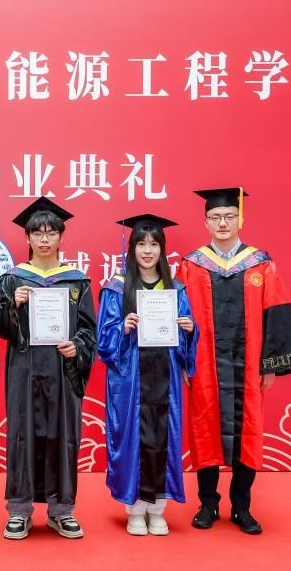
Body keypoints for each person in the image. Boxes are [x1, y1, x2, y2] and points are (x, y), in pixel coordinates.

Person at [178, 188, 291, 535]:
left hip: (248, 366)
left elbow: (276, 312)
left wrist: (270, 364)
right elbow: (179, 315)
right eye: (215, 217)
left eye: (229, 216)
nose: (222, 223)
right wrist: (184, 361)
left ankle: (241, 507)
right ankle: (207, 504)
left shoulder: (260, 263)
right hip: (204, 365)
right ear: (205, 222)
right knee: (204, 429)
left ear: (240, 220)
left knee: (248, 430)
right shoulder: (192, 265)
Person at [0, 197, 96, 540]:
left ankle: (61, 510)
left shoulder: (76, 281)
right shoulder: (13, 279)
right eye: (38, 233)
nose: (45, 239)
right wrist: (12, 304)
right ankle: (19, 510)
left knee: (62, 435)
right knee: (22, 435)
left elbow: (89, 329)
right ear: (27, 237)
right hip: (24, 369)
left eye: (52, 233)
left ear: (61, 237)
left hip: (62, 370)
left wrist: (77, 346)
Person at [96, 214, 198, 536]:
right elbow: (104, 342)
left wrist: (189, 329)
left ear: (163, 249)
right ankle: (135, 510)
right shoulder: (116, 288)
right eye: (141, 243)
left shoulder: (176, 289)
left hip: (165, 377)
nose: (148, 250)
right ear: (132, 248)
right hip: (131, 380)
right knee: (132, 440)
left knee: (164, 438)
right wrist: (122, 328)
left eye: (154, 244)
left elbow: (186, 338)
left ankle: (157, 509)